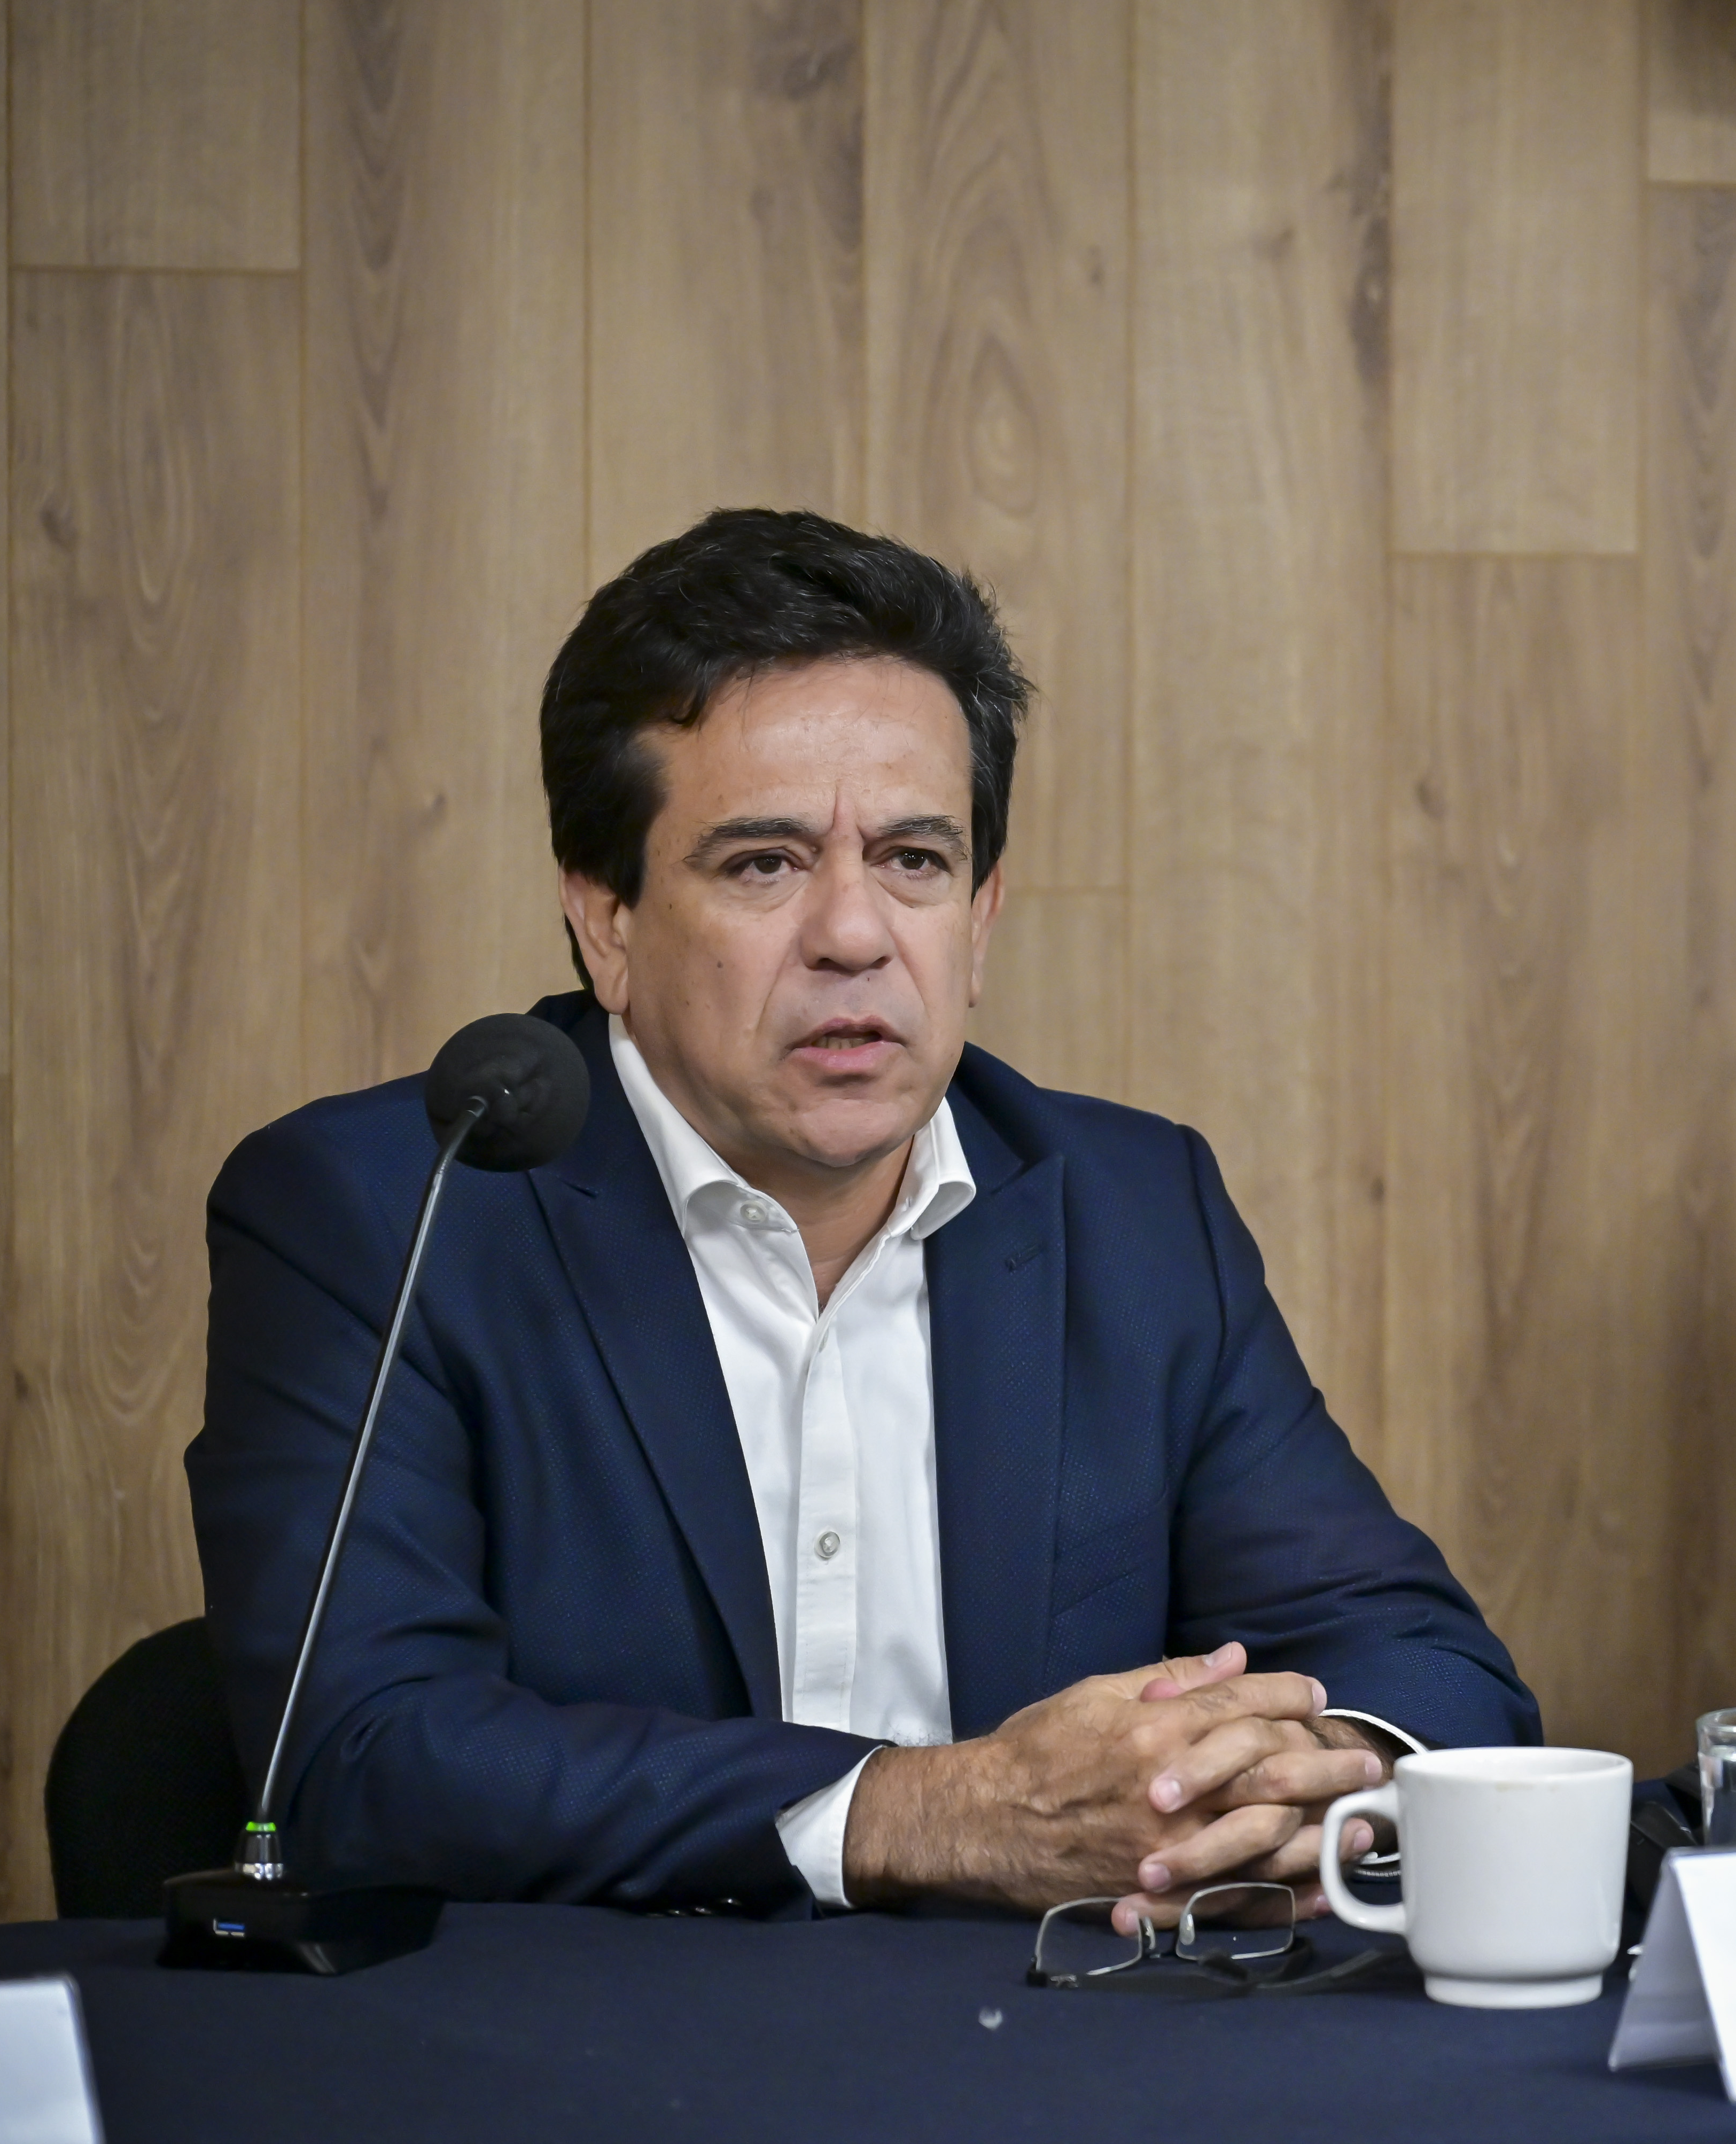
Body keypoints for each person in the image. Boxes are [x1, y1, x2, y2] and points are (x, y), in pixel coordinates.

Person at [190, 509, 1535, 1917]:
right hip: (590, 2035)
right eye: (763, 864)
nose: (854, 935)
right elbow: (362, 1760)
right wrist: (928, 1813)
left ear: (982, 916)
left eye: (914, 861)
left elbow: (1426, 1669)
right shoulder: (385, 1216)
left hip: (1055, 2032)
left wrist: (1289, 1781)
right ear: (607, 921)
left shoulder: (1135, 1215)